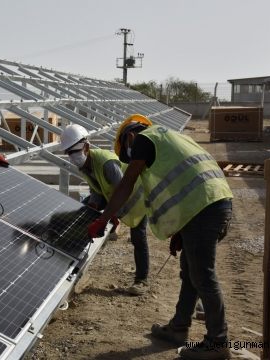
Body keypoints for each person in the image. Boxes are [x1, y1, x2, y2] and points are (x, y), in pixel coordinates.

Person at [90, 114, 233, 360]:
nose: (132, 159)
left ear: (130, 136)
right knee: (190, 271)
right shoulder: (170, 137)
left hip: (206, 207)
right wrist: (181, 228)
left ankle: (217, 342)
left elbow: (126, 183)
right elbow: (184, 182)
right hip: (210, 203)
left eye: (128, 152)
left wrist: (103, 218)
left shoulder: (144, 139)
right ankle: (178, 328)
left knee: (203, 275)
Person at [60, 124, 150, 295]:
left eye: (74, 151)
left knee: (138, 237)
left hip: (136, 202)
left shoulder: (106, 162)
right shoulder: (85, 165)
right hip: (114, 199)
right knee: (84, 210)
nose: (72, 157)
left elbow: (123, 188)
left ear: (86, 147)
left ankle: (142, 280)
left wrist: (109, 216)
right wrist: (93, 207)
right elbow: (96, 189)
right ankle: (74, 257)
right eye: (69, 153)